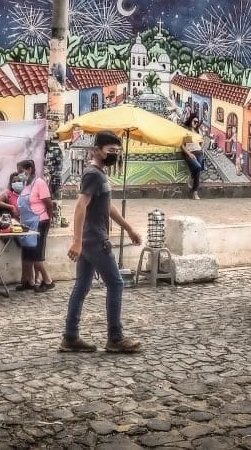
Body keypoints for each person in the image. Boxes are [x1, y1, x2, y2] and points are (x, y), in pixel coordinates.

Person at [60, 131, 143, 353]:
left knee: (82, 286)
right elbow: (80, 206)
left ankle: (70, 337)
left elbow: (107, 206)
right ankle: (115, 338)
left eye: (117, 151)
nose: (114, 155)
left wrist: (129, 228)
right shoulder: (94, 174)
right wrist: (76, 241)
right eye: (111, 151)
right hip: (95, 240)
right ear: (97, 150)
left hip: (90, 240)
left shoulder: (98, 174)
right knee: (116, 284)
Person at [16, 159, 55, 292]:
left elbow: (49, 204)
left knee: (35, 255)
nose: (19, 174)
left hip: (39, 222)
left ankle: (47, 281)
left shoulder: (39, 183)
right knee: (26, 254)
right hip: (26, 223)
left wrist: (48, 220)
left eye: (21, 171)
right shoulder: (25, 185)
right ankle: (28, 281)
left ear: (30, 169)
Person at [181, 117, 206, 200]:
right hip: (190, 153)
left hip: (199, 153)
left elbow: (202, 141)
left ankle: (195, 193)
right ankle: (191, 179)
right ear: (190, 121)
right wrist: (189, 154)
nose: (196, 123)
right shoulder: (186, 132)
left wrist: (202, 148)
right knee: (198, 167)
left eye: (197, 122)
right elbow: (182, 145)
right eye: (194, 121)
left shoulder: (198, 132)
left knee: (197, 172)